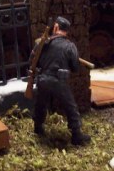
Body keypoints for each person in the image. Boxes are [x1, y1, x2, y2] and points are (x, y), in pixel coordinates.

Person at [31, 16, 90, 146]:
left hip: (42, 79)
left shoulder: (42, 43)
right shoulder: (70, 46)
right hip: (58, 81)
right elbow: (75, 68)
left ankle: (38, 128)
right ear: (66, 31)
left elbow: (33, 61)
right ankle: (76, 135)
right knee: (70, 107)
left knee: (40, 104)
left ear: (56, 27)